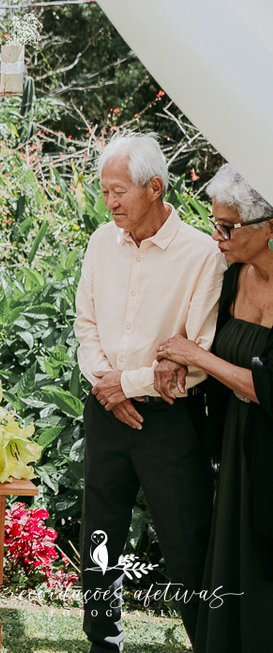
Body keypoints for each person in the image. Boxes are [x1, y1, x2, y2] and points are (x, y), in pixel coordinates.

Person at [74, 133, 224, 653]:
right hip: (104, 410)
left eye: (119, 192)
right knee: (100, 537)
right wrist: (106, 385)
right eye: (104, 191)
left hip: (169, 419)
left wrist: (129, 385)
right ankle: (102, 642)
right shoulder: (100, 242)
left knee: (186, 540)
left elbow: (198, 355)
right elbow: (85, 324)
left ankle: (208, 640)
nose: (109, 202)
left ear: (155, 187)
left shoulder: (203, 255)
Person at [153, 164, 273, 653]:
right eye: (213, 222)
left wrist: (196, 356)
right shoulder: (234, 278)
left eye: (227, 227)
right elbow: (201, 346)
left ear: (269, 226)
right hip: (239, 443)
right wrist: (172, 362)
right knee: (238, 563)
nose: (215, 236)